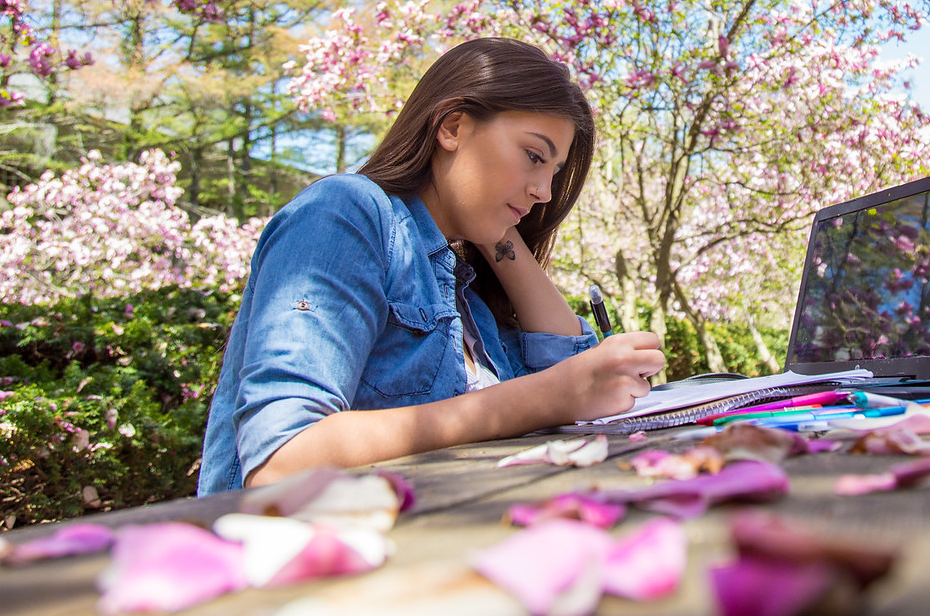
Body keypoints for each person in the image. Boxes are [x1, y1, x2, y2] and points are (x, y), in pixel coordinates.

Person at [197, 39, 665, 494]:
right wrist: (546, 396)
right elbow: (281, 458)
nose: (544, 190)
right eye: (533, 157)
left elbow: (576, 381)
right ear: (453, 127)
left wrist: (500, 235)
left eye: (554, 173)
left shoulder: (467, 289)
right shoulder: (345, 213)